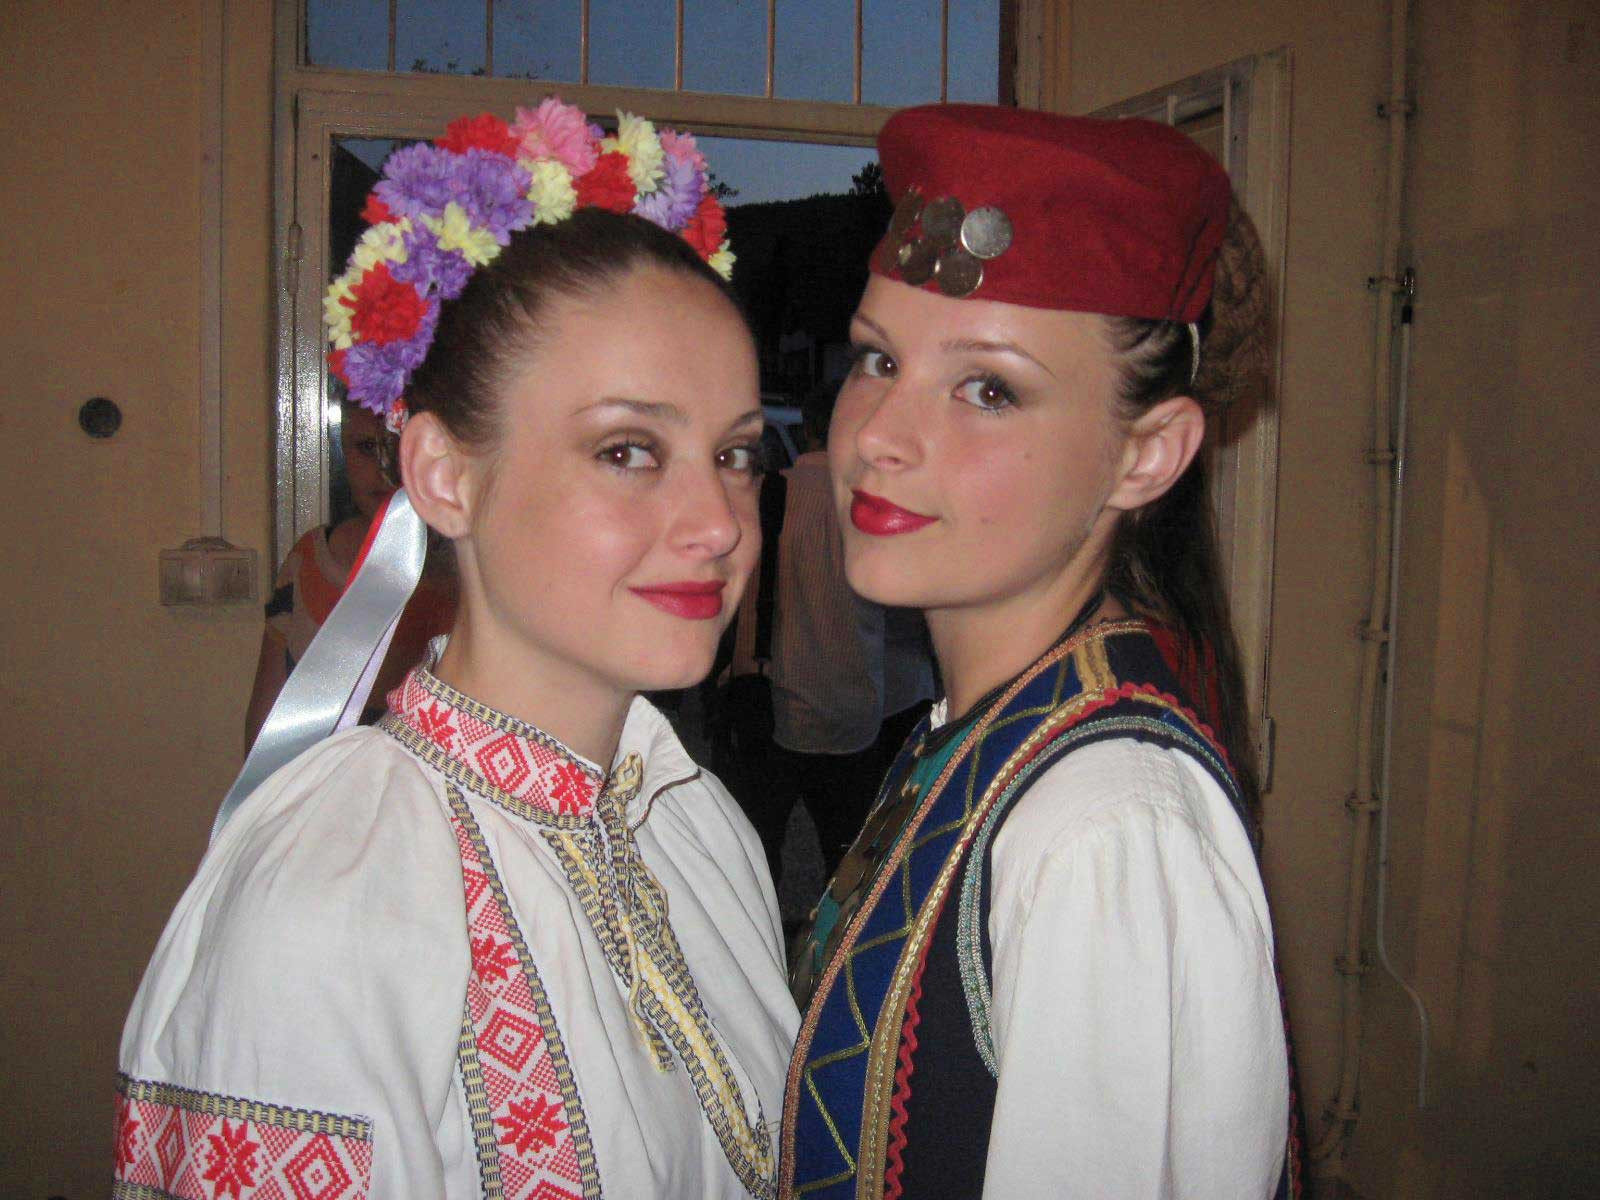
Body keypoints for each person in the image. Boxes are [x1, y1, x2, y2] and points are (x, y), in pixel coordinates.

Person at [117, 102, 797, 1199]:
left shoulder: (695, 820)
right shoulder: (334, 902)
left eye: (734, 455)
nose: (719, 523)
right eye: (628, 450)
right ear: (444, 476)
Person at [782, 105, 1297, 1199]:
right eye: (877, 358)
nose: (876, 434)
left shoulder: (1105, 828)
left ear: (1145, 455)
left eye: (988, 389)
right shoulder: (985, 731)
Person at [719, 397, 934, 891]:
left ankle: (764, 933)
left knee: (755, 854)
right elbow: (908, 616)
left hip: (768, 698)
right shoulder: (873, 506)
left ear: (808, 429)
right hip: (850, 705)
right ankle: (836, 936)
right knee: (847, 857)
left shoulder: (765, 494)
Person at [242, 399, 456, 746]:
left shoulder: (473, 577)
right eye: (366, 447)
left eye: (400, 446)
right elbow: (263, 735)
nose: (384, 468)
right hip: (316, 778)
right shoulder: (311, 559)